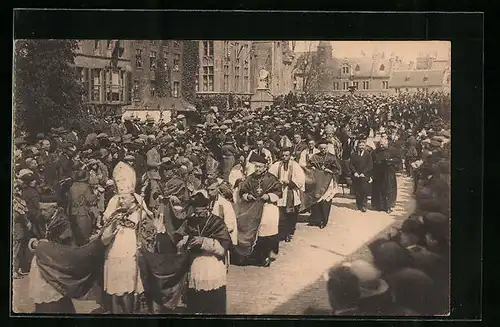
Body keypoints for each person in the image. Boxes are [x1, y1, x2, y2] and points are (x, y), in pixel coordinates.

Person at [101, 161, 166, 314]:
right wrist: (112, 229)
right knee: (115, 290)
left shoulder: (140, 211)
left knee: (129, 290)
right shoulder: (114, 209)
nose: (120, 201)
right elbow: (104, 234)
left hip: (131, 253)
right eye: (120, 198)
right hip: (114, 252)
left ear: (132, 198)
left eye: (124, 199)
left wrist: (146, 237)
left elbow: (150, 231)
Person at [176, 190, 232, 314]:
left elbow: (223, 248)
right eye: (195, 212)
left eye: (200, 212)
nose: (197, 215)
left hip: (212, 265)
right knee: (196, 304)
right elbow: (179, 240)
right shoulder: (190, 221)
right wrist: (186, 241)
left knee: (214, 305)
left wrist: (204, 242)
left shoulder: (217, 222)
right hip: (195, 266)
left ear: (207, 208)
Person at [233, 152, 282, 267]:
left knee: (267, 234)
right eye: (256, 167)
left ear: (265, 167)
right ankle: (253, 256)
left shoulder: (271, 178)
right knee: (253, 233)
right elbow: (243, 191)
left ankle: (266, 256)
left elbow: (279, 192)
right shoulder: (251, 178)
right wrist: (247, 196)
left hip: (267, 209)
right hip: (253, 209)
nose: (258, 169)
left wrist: (269, 196)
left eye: (260, 167)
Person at [268, 148, 306, 243]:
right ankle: (281, 233)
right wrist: (276, 182)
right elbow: (270, 176)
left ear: (290, 156)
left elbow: (301, 180)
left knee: (291, 214)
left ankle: (289, 233)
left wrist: (289, 182)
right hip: (280, 192)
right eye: (283, 155)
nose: (284, 157)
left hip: (291, 192)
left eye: (286, 155)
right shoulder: (276, 165)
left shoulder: (295, 166)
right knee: (280, 214)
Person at [306, 141, 341, 229]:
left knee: (325, 200)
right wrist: (313, 168)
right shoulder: (315, 156)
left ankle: (323, 220)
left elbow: (338, 170)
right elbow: (309, 165)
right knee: (316, 199)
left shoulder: (332, 157)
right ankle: (316, 219)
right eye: (321, 148)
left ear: (327, 148)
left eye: (324, 148)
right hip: (317, 180)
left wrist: (329, 170)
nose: (323, 150)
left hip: (327, 181)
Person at [67, 169, 98, 246]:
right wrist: (95, 194)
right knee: (84, 232)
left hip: (72, 211)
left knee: (76, 232)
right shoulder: (85, 187)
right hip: (82, 212)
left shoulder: (72, 186)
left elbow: (69, 198)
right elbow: (89, 199)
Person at [371, 138, 401, 213]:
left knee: (389, 189)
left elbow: (398, 160)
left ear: (387, 144)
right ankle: (379, 206)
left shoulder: (393, 150)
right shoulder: (375, 151)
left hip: (389, 173)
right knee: (379, 189)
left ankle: (388, 206)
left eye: (383, 144)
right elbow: (372, 161)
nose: (381, 146)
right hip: (378, 173)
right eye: (380, 144)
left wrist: (390, 161)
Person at [349, 139, 373, 212]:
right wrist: (355, 172)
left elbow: (370, 165)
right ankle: (358, 205)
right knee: (357, 190)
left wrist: (364, 173)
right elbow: (351, 164)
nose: (361, 147)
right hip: (356, 175)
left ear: (365, 146)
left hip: (364, 175)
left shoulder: (368, 155)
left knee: (364, 191)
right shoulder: (354, 154)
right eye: (360, 145)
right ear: (357, 146)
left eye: (363, 145)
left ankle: (363, 205)